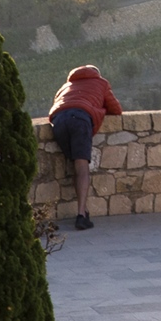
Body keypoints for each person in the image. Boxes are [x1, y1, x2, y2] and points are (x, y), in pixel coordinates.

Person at [49, 64, 123, 229]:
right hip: (80, 119)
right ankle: (81, 215)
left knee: (74, 164)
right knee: (81, 166)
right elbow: (116, 109)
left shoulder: (66, 86)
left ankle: (85, 210)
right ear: (97, 74)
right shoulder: (101, 83)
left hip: (58, 121)